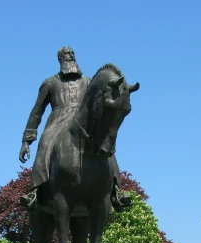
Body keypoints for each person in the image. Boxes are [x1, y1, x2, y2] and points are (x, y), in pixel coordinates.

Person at [19, 46, 131, 211]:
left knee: (107, 147)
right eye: (66, 54)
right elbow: (37, 111)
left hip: (83, 121)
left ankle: (116, 190)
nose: (70, 56)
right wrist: (27, 140)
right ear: (60, 59)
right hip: (58, 121)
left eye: (72, 53)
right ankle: (35, 190)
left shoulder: (87, 82)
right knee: (46, 142)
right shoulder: (49, 83)